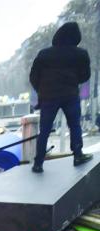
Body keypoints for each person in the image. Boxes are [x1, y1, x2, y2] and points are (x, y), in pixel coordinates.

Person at [29, 21, 93, 172]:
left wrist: (41, 90)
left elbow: (33, 77)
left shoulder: (44, 54)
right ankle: (78, 155)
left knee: (44, 130)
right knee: (75, 126)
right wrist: (73, 81)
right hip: (70, 95)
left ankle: (38, 163)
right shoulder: (81, 54)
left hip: (48, 97)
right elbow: (85, 75)